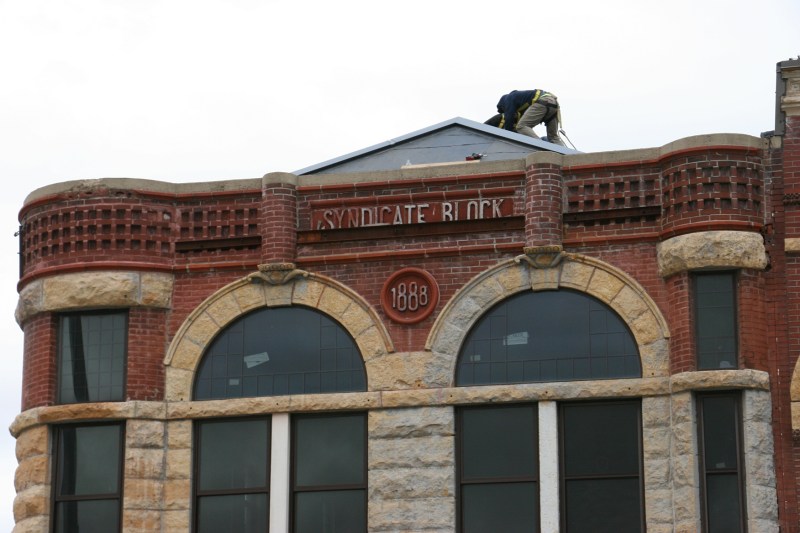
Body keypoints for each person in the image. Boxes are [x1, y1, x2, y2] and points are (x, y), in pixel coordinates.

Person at [486, 89, 565, 146]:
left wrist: (509, 136)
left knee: (521, 126)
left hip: (543, 101)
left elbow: (509, 119)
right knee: (553, 136)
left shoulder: (508, 99)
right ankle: (568, 154)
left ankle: (541, 146)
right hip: (554, 104)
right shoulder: (521, 101)